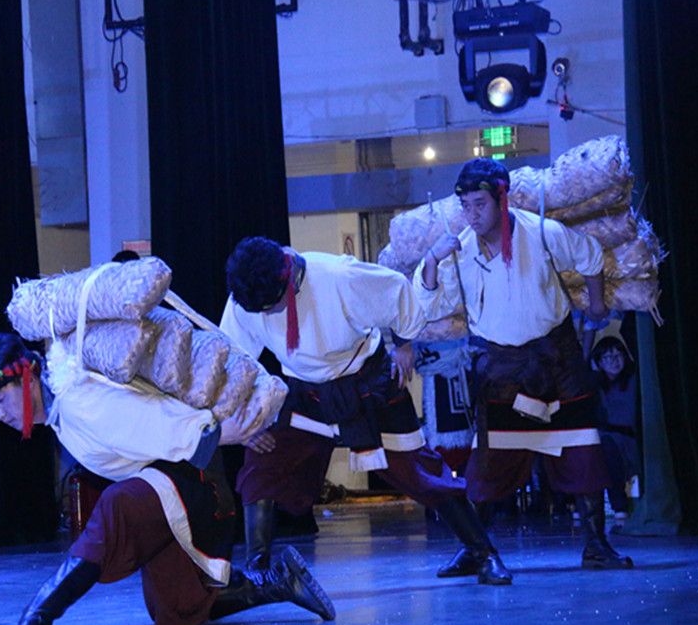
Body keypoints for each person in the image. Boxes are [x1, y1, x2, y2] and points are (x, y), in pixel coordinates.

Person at [0, 331, 334, 625]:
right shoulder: (65, 416)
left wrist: (214, 430)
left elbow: (154, 419)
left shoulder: (79, 400)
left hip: (197, 485)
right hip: (170, 492)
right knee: (176, 610)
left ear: (26, 377)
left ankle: (39, 614)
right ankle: (279, 581)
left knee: (117, 506)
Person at [219, 236, 511, 586]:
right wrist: (244, 423)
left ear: (287, 281)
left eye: (270, 308)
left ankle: (482, 552)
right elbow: (234, 361)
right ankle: (258, 569)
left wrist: (403, 345)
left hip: (366, 384)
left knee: (418, 471)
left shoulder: (341, 277)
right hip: (303, 391)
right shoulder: (246, 299)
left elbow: (398, 292)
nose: (266, 316)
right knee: (263, 463)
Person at [415, 158, 632, 570]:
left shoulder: (543, 233)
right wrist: (430, 262)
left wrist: (597, 305)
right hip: (502, 371)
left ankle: (596, 545)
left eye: (479, 204)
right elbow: (431, 305)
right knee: (488, 465)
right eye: (465, 206)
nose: (472, 215)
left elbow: (589, 256)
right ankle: (475, 550)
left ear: (502, 199)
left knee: (583, 451)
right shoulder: (460, 252)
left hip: (557, 362)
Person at [590, 332, 638, 524]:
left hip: (629, 438)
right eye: (607, 357)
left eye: (618, 355)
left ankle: (620, 506)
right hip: (604, 438)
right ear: (599, 362)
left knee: (607, 447)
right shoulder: (595, 385)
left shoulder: (635, 380)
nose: (614, 361)